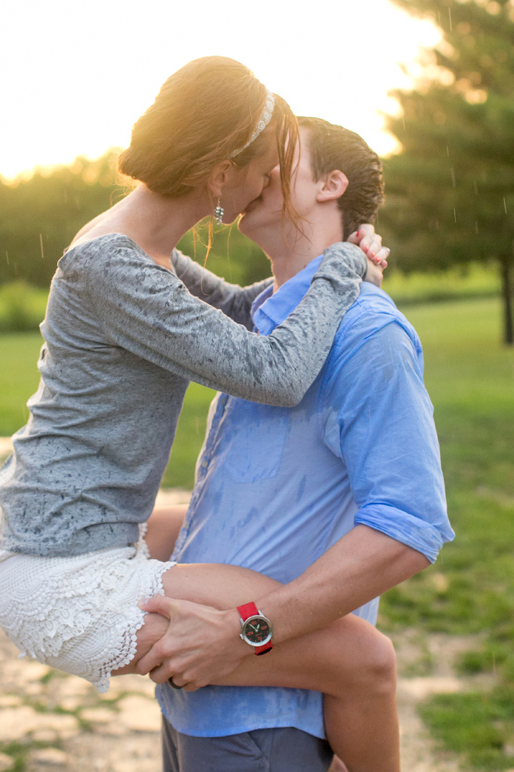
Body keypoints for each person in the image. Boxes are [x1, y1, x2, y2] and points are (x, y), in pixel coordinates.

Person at [0, 57, 394, 772]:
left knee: (347, 650)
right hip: (62, 571)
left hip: (85, 542)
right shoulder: (113, 264)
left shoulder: (144, 251)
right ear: (221, 170)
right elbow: (273, 372)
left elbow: (239, 312)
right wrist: (340, 269)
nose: (271, 181)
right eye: (267, 165)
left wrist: (325, 261)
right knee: (355, 655)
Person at [137, 117, 455, 772]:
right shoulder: (261, 332)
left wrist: (247, 633)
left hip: (264, 719)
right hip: (192, 700)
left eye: (276, 157)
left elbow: (406, 527)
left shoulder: (366, 335)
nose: (253, 168)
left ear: (330, 184)